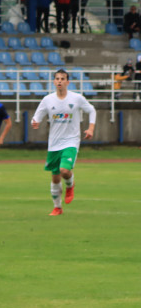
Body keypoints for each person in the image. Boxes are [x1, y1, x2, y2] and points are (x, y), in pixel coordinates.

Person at [30, 69, 96, 216]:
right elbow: (36, 116)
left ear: (67, 82)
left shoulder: (76, 98)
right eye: (57, 79)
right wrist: (35, 122)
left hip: (71, 141)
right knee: (54, 177)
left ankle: (70, 184)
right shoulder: (48, 100)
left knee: (64, 170)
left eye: (62, 79)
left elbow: (91, 110)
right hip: (54, 143)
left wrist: (90, 128)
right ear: (54, 82)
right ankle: (57, 207)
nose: (59, 81)